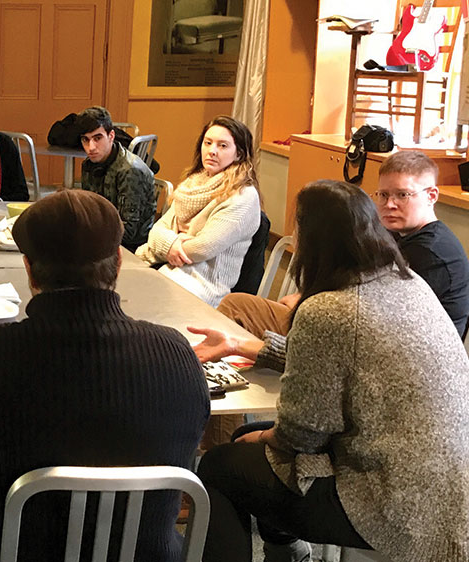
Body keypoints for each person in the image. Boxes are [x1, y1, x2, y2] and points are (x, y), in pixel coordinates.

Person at [0, 190, 210, 562]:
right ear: (118, 264)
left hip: (8, 551)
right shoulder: (178, 356)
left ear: (28, 269)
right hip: (146, 554)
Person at [191, 179, 469, 562]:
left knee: (220, 465)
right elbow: (342, 364)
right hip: (446, 490)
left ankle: (281, 549)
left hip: (390, 504)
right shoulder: (405, 281)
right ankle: (286, 551)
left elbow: (301, 435)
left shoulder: (329, 310)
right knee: (251, 440)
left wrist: (264, 438)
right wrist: (244, 346)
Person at [218, 150, 469, 341]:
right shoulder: (396, 233)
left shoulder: (433, 253)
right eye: (383, 195)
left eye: (402, 195)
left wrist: (309, 304)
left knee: (237, 323)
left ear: (431, 196)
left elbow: (377, 318)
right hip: (351, 324)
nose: (390, 204)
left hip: (377, 345)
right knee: (237, 304)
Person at [135, 115, 261, 307]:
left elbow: (202, 248)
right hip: (167, 267)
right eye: (208, 143)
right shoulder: (192, 184)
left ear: (239, 154)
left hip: (203, 284)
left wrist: (175, 239)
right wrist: (173, 242)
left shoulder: (244, 195)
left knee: (141, 304)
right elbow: (157, 230)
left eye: (222, 146)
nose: (212, 151)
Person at [76, 106, 156, 251]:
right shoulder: (89, 164)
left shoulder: (130, 170)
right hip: (105, 238)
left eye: (97, 138)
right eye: (85, 140)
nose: (91, 147)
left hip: (132, 248)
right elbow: (89, 209)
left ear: (111, 136)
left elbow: (129, 231)